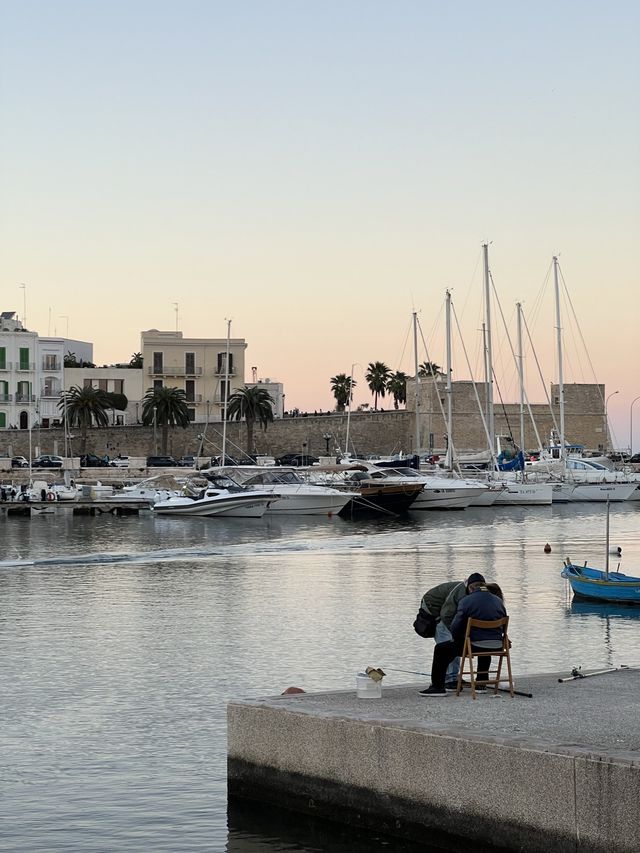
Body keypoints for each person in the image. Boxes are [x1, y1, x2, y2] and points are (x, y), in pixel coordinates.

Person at [419, 577, 507, 697]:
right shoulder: (498, 602)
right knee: (486, 643)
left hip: (473, 646)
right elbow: (501, 626)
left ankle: (438, 687)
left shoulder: (466, 601)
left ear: (470, 588)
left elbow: (455, 627)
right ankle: (481, 684)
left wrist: (458, 638)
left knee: (441, 649)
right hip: (497, 645)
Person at [419, 573, 486, 689]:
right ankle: (450, 679)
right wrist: (457, 632)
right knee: (448, 642)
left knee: (453, 641)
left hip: (448, 610)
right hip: (434, 606)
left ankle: (453, 677)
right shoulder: (461, 594)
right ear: (469, 588)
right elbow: (446, 615)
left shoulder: (481, 592)